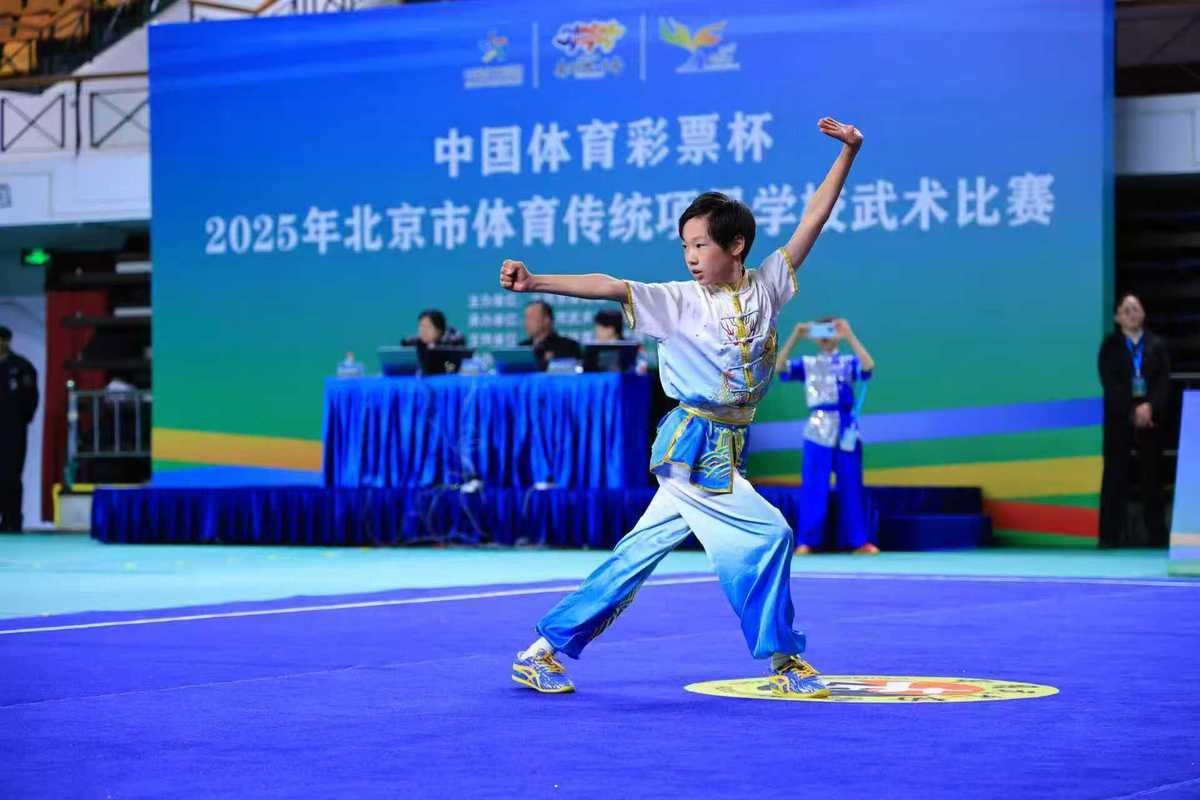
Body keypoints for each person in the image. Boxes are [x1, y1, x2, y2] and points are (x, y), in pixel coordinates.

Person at [502, 117, 863, 696]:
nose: (691, 256)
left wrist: (848, 153)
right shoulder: (677, 301)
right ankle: (784, 660)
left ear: (736, 246)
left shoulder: (768, 285)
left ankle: (539, 652)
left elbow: (812, 219)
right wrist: (536, 281)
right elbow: (610, 285)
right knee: (771, 534)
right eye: (686, 246)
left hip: (725, 445)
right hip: (694, 445)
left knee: (636, 555)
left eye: (701, 245)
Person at [775, 317, 878, 555]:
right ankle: (807, 541)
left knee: (852, 485)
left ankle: (859, 541)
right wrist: (796, 335)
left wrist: (849, 334)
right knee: (813, 486)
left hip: (846, 430)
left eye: (831, 330)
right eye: (821, 331)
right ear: (814, 336)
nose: (826, 336)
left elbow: (868, 366)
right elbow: (779, 367)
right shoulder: (808, 363)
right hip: (817, 430)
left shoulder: (848, 361)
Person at [1098, 294, 1171, 548]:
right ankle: (1109, 537)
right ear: (1117, 317)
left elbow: (1163, 382)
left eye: (1136, 308)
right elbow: (1110, 382)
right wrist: (1132, 411)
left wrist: (1150, 407)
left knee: (1152, 475)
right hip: (1119, 418)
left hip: (1150, 420)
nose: (1132, 313)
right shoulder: (1110, 345)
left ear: (1144, 314)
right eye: (1126, 310)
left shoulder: (1157, 345)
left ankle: (1157, 537)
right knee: (1114, 474)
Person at [0, 325, 39, 533]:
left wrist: (20, 419)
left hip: (12, 429)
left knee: (10, 474)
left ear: (6, 341)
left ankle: (11, 520)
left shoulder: (21, 366)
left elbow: (30, 397)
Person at [401, 309, 466, 374]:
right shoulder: (419, 341)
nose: (423, 331)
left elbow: (451, 369)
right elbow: (405, 343)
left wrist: (434, 351)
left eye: (428, 327)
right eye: (421, 326)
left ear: (439, 330)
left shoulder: (453, 342)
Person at [520, 300, 582, 369]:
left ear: (547, 320)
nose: (526, 322)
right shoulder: (521, 348)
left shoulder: (569, 346)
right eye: (525, 318)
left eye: (531, 317)